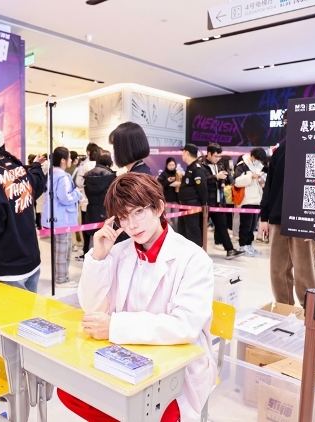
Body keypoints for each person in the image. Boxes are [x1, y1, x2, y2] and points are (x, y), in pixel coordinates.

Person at [57, 173, 216, 422]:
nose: (131, 225)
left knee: (151, 414)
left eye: (138, 212)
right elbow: (94, 309)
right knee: (69, 391)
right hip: (125, 358)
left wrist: (115, 327)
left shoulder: (193, 259)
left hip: (173, 371)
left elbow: (184, 326)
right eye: (123, 217)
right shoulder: (119, 252)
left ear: (159, 207)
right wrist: (98, 258)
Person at [0, 121, 46, 292]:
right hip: (32, 258)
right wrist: (36, 166)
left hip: (9, 265)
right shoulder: (18, 168)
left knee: (12, 310)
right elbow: (36, 185)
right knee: (30, 309)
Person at [258, 114, 315, 306]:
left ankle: (310, 311)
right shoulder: (280, 151)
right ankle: (284, 308)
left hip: (304, 220)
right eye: (287, 121)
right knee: (278, 270)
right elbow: (269, 187)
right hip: (278, 219)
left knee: (305, 271)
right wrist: (264, 217)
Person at [179, 143, 244, 259]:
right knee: (199, 227)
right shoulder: (200, 165)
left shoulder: (220, 165)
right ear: (209, 154)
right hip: (206, 202)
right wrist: (215, 177)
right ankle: (198, 251)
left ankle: (230, 249)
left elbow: (227, 180)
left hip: (218, 201)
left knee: (222, 225)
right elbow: (202, 183)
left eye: (219, 156)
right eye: (216, 156)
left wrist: (226, 179)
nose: (218, 159)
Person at [42, 146, 82, 287]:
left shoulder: (51, 174)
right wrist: (77, 193)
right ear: (63, 160)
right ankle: (61, 279)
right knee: (63, 250)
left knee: (58, 249)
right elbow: (65, 198)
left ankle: (60, 277)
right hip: (63, 219)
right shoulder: (63, 177)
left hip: (56, 218)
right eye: (69, 157)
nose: (71, 160)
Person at [234, 147, 267, 257]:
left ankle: (249, 244)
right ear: (252, 155)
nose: (258, 161)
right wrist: (251, 177)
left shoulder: (258, 166)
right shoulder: (242, 166)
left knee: (253, 226)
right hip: (246, 200)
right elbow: (236, 182)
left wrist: (261, 181)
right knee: (246, 225)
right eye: (257, 159)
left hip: (257, 200)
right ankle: (242, 246)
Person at [83, 150, 116, 244]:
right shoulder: (111, 176)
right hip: (107, 213)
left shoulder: (88, 176)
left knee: (93, 240)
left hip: (91, 212)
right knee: (109, 241)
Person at [75, 143, 101, 260]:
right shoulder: (102, 166)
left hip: (86, 201)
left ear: (88, 152)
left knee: (86, 229)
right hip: (100, 203)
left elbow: (79, 182)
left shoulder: (84, 165)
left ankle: (86, 252)